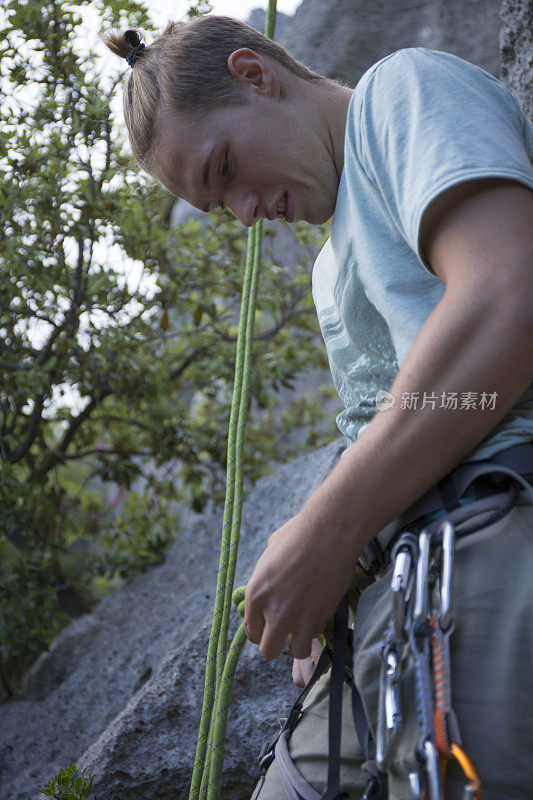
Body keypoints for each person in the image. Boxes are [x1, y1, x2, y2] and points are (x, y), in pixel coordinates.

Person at [102, 14, 533, 799]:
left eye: (224, 168)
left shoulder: (400, 94)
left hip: (495, 519)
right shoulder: (331, 267)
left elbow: (508, 300)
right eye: (216, 205)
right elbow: (393, 422)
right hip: (392, 592)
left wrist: (327, 527)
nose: (242, 213)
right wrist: (340, 557)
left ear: (256, 74)